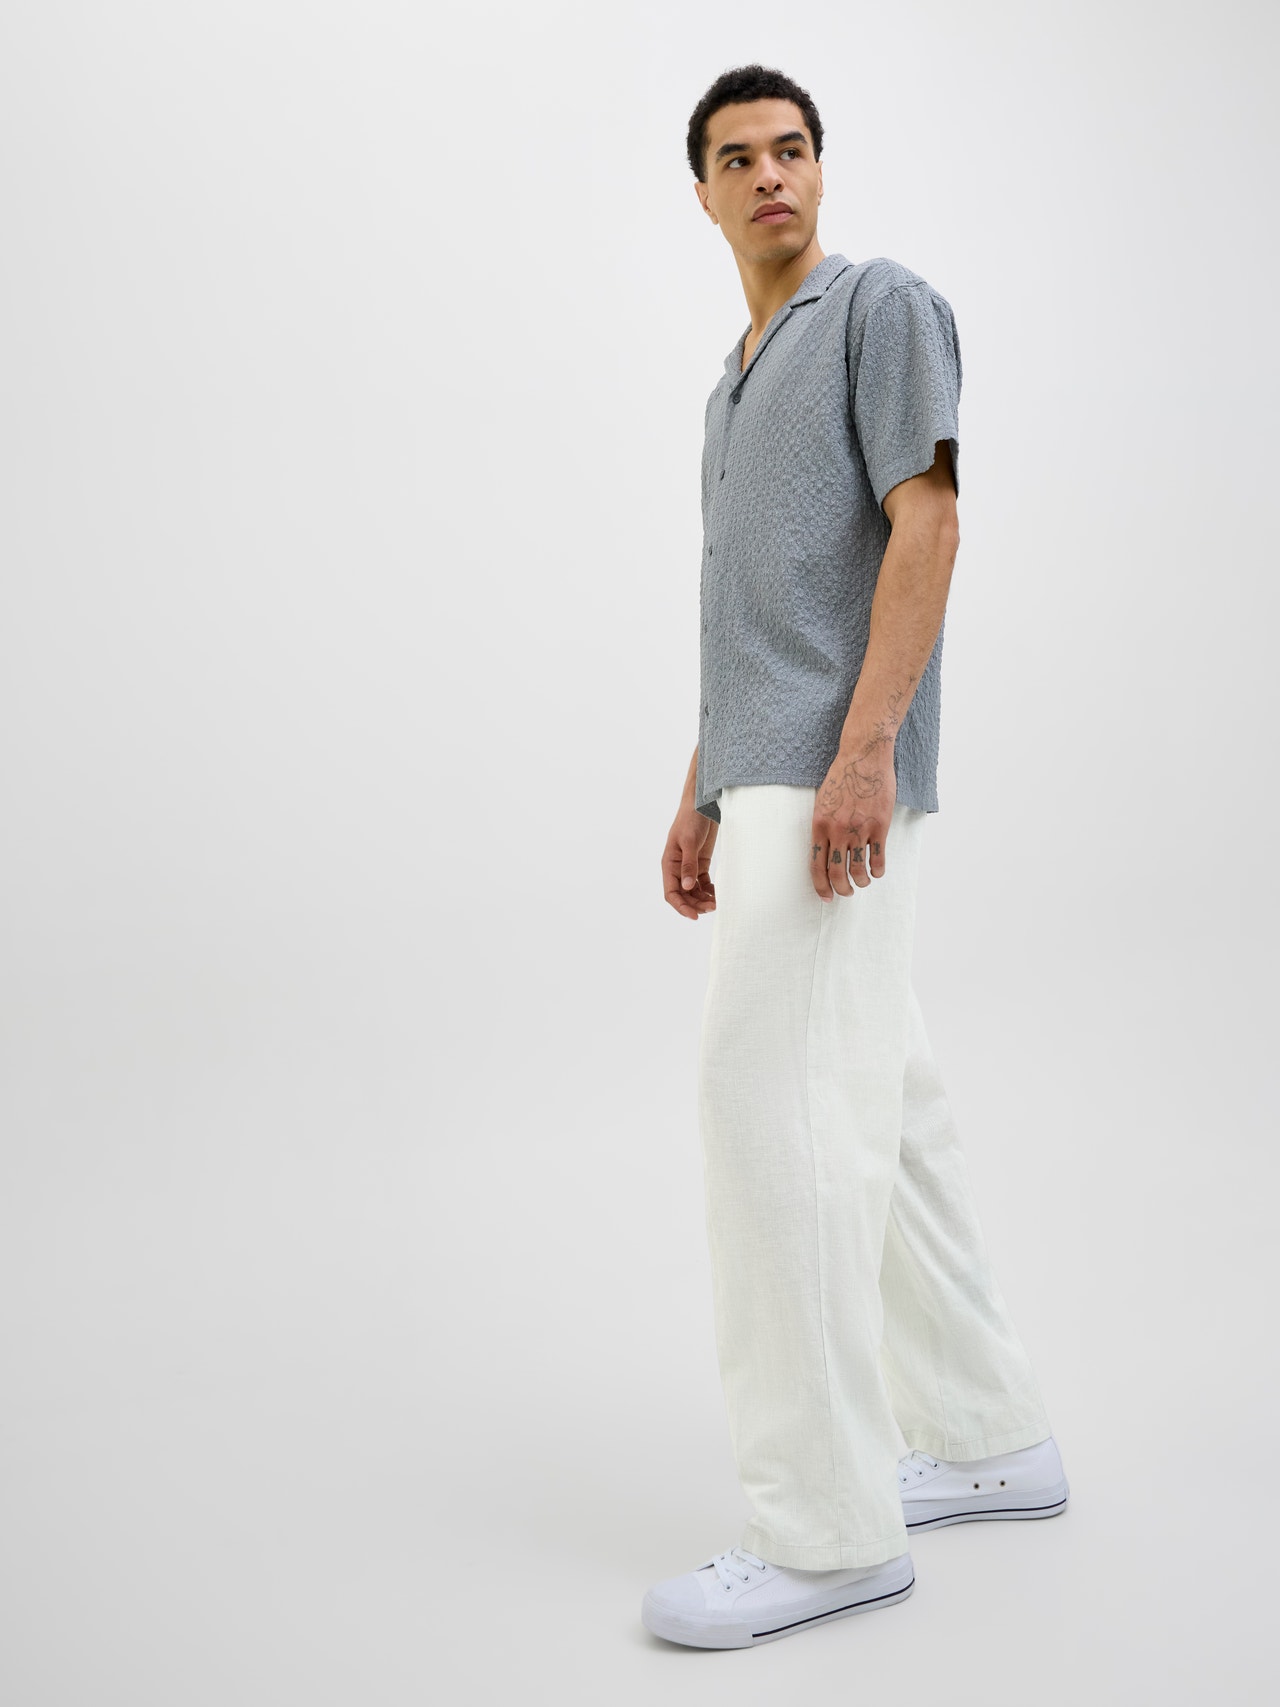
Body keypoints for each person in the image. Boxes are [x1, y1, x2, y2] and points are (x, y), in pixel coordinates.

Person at [643, 64, 1069, 1652]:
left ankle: (824, 1531)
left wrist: (868, 751)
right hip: (761, 778)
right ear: (702, 194)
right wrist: (701, 783)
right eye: (738, 158)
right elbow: (752, 605)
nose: (771, 174)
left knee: (768, 1114)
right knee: (887, 1097)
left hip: (832, 780)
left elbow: (927, 522)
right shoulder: (731, 384)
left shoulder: (879, 307)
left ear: (821, 170)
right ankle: (988, 1434)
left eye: (793, 149)